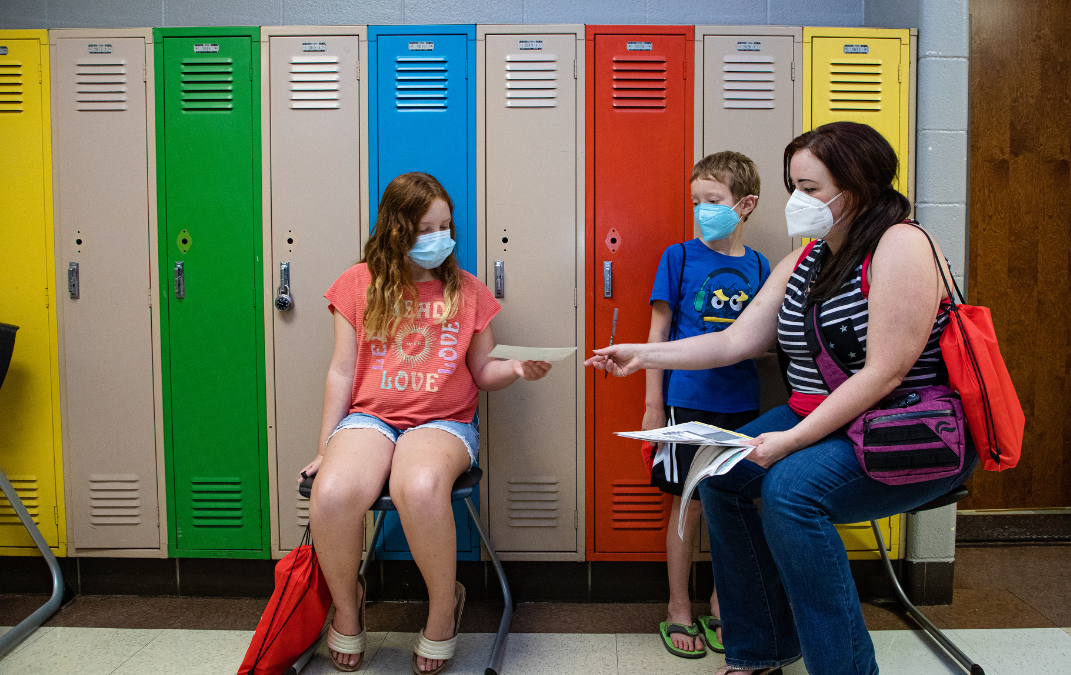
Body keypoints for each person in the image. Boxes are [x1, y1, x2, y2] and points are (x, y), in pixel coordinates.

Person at [587, 122, 977, 675]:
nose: (798, 201)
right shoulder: (804, 261)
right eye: (794, 186)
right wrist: (642, 355)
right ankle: (763, 646)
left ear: (857, 187)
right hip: (824, 422)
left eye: (811, 188)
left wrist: (791, 441)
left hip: (902, 430)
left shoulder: (903, 245)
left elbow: (884, 374)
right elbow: (733, 340)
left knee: (792, 492)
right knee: (718, 470)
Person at [302, 172, 552, 674]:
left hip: (443, 422)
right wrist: (327, 446)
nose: (441, 238)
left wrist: (517, 369)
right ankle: (348, 611)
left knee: (418, 487)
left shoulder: (468, 291)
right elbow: (342, 371)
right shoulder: (356, 285)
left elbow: (482, 371)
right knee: (330, 492)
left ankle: (444, 609)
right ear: (396, 230)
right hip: (371, 418)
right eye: (426, 229)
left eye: (446, 226)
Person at [644, 151, 770, 659]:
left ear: (745, 205)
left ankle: (722, 602)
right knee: (687, 506)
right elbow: (655, 338)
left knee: (731, 507)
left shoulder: (761, 265)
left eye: (712, 200)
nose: (701, 210)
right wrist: (654, 404)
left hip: (742, 405)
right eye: (696, 200)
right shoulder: (677, 258)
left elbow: (762, 339)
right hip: (687, 403)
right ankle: (678, 606)